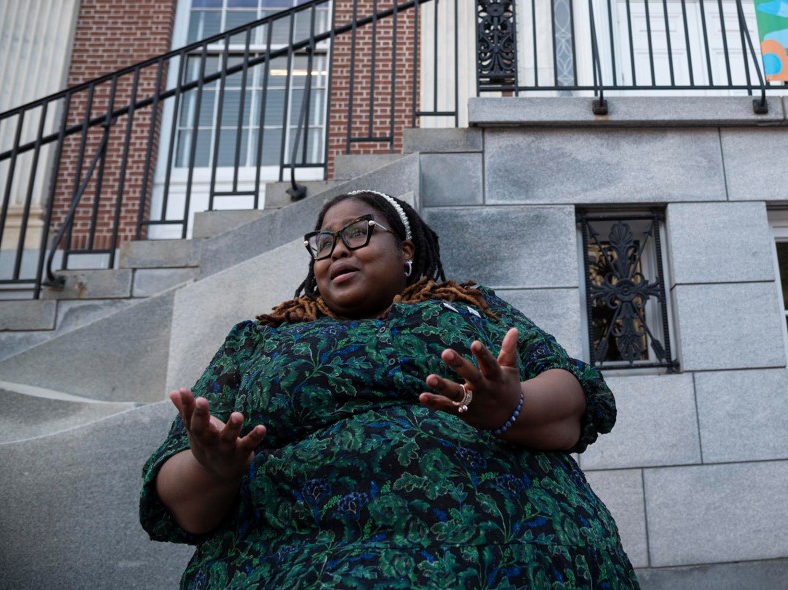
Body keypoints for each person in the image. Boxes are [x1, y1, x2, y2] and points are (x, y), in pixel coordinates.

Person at [141, 189, 639, 588]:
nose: (337, 248)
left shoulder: (468, 309)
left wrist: (512, 407)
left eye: (358, 233)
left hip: (508, 541)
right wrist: (213, 468)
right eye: (323, 242)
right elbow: (181, 504)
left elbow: (577, 400)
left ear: (405, 250)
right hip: (296, 552)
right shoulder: (260, 339)